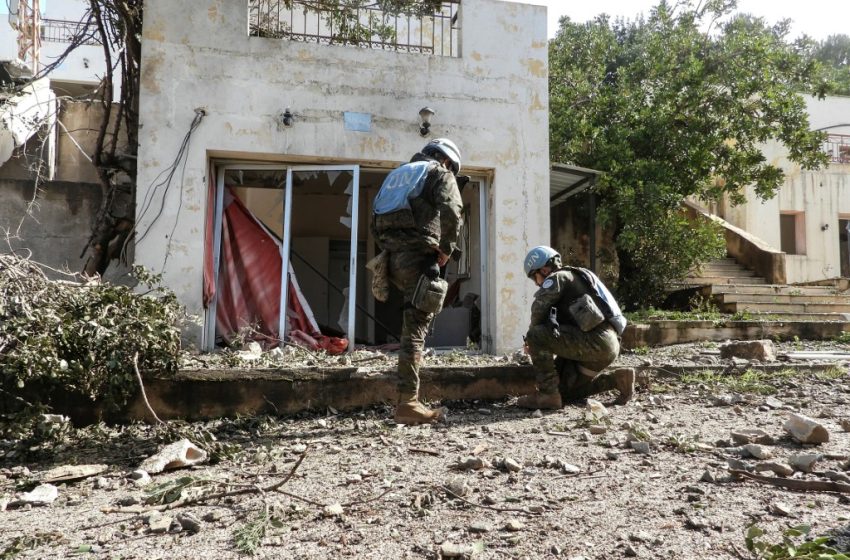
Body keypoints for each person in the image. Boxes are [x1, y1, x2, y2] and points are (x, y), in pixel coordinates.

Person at [371, 138, 464, 424]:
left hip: (391, 258)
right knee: (415, 330)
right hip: (420, 258)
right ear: (448, 160)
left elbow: (376, 217)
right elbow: (452, 210)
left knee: (410, 323)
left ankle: (407, 400)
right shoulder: (439, 172)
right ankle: (408, 403)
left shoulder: (400, 173)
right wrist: (446, 250)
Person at [519, 245, 635, 409]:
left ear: (544, 270)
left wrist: (530, 341)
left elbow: (538, 310)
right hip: (606, 344)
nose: (536, 283)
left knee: (536, 335)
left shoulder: (557, 278)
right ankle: (617, 380)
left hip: (594, 342)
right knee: (564, 392)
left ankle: (547, 395)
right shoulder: (577, 277)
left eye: (534, 277)